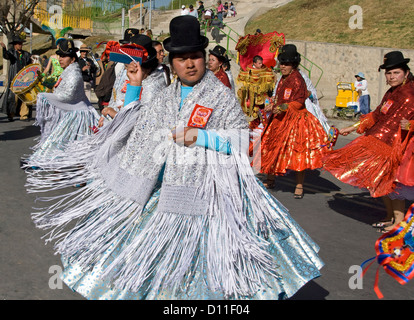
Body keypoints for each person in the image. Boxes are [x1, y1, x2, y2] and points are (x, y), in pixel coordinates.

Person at [28, 15, 323, 300]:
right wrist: (133, 86)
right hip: (162, 188)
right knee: (148, 264)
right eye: (182, 58)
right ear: (172, 62)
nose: (190, 63)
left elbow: (240, 139)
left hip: (208, 195)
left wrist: (201, 137)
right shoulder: (164, 98)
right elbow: (137, 131)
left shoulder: (220, 96)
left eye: (195, 56)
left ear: (204, 57)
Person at [323, 51, 414, 233]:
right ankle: (390, 216)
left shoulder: (411, 92)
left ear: (405, 72)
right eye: (389, 73)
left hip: (400, 146)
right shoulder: (391, 92)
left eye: (396, 72)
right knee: (380, 182)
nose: (392, 76)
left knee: (393, 184)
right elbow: (378, 114)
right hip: (381, 141)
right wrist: (352, 127)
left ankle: (398, 222)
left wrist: (411, 124)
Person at [251, 44, 328, 199]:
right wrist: (271, 105)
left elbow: (299, 101)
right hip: (279, 119)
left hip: (296, 120)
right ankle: (270, 178)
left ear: (293, 64)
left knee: (297, 152)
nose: (283, 66)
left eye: (286, 63)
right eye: (282, 63)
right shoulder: (282, 79)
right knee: (270, 146)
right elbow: (278, 97)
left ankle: (299, 185)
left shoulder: (298, 79)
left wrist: (285, 107)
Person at [22, 39, 100, 169]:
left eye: (64, 56)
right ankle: (48, 165)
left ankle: (78, 174)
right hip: (70, 113)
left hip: (78, 116)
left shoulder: (74, 75)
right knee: (60, 143)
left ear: (72, 59)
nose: (61, 59)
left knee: (78, 148)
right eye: (60, 55)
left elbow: (67, 97)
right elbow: (56, 87)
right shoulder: (67, 72)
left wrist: (44, 97)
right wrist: (41, 81)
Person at [98, 34, 167, 126]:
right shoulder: (125, 71)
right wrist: (106, 116)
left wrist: (115, 115)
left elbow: (145, 122)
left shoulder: (154, 83)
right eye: (126, 65)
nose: (127, 70)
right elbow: (115, 96)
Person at [237, 55, 275, 130]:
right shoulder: (248, 70)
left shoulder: (265, 70)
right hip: (251, 95)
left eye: (261, 63)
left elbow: (270, 82)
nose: (261, 65)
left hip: (262, 96)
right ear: (254, 63)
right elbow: (243, 81)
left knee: (263, 112)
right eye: (259, 63)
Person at [0, 35, 32, 121]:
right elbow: (6, 56)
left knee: (25, 97)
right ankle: (11, 114)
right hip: (14, 79)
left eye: (20, 44)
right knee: (13, 97)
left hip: (24, 79)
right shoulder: (11, 53)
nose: (20, 45)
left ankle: (24, 115)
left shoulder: (26, 54)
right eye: (18, 44)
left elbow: (30, 65)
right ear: (15, 45)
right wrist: (4, 49)